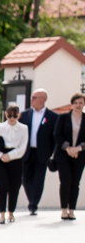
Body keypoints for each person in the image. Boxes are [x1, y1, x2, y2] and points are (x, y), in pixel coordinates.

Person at [0, 105, 28, 223]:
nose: (12, 118)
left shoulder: (23, 128)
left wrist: (10, 156)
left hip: (15, 159)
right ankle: (2, 214)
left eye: (15, 116)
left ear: (18, 115)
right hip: (0, 159)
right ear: (5, 115)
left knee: (14, 186)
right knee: (2, 185)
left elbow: (22, 147)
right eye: (9, 116)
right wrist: (1, 155)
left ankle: (11, 213)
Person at [20, 89, 58, 215]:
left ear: (43, 99)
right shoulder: (24, 115)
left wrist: (53, 153)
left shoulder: (53, 117)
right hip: (27, 152)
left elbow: (55, 137)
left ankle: (33, 205)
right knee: (25, 179)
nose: (31, 100)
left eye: (34, 97)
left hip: (42, 153)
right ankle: (31, 199)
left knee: (38, 179)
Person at [53, 92, 85, 220]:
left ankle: (72, 210)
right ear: (71, 104)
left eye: (80, 103)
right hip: (63, 155)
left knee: (75, 183)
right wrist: (68, 149)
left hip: (80, 155)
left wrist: (78, 148)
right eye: (75, 103)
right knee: (65, 181)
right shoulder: (63, 117)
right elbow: (57, 134)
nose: (78, 105)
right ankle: (64, 210)